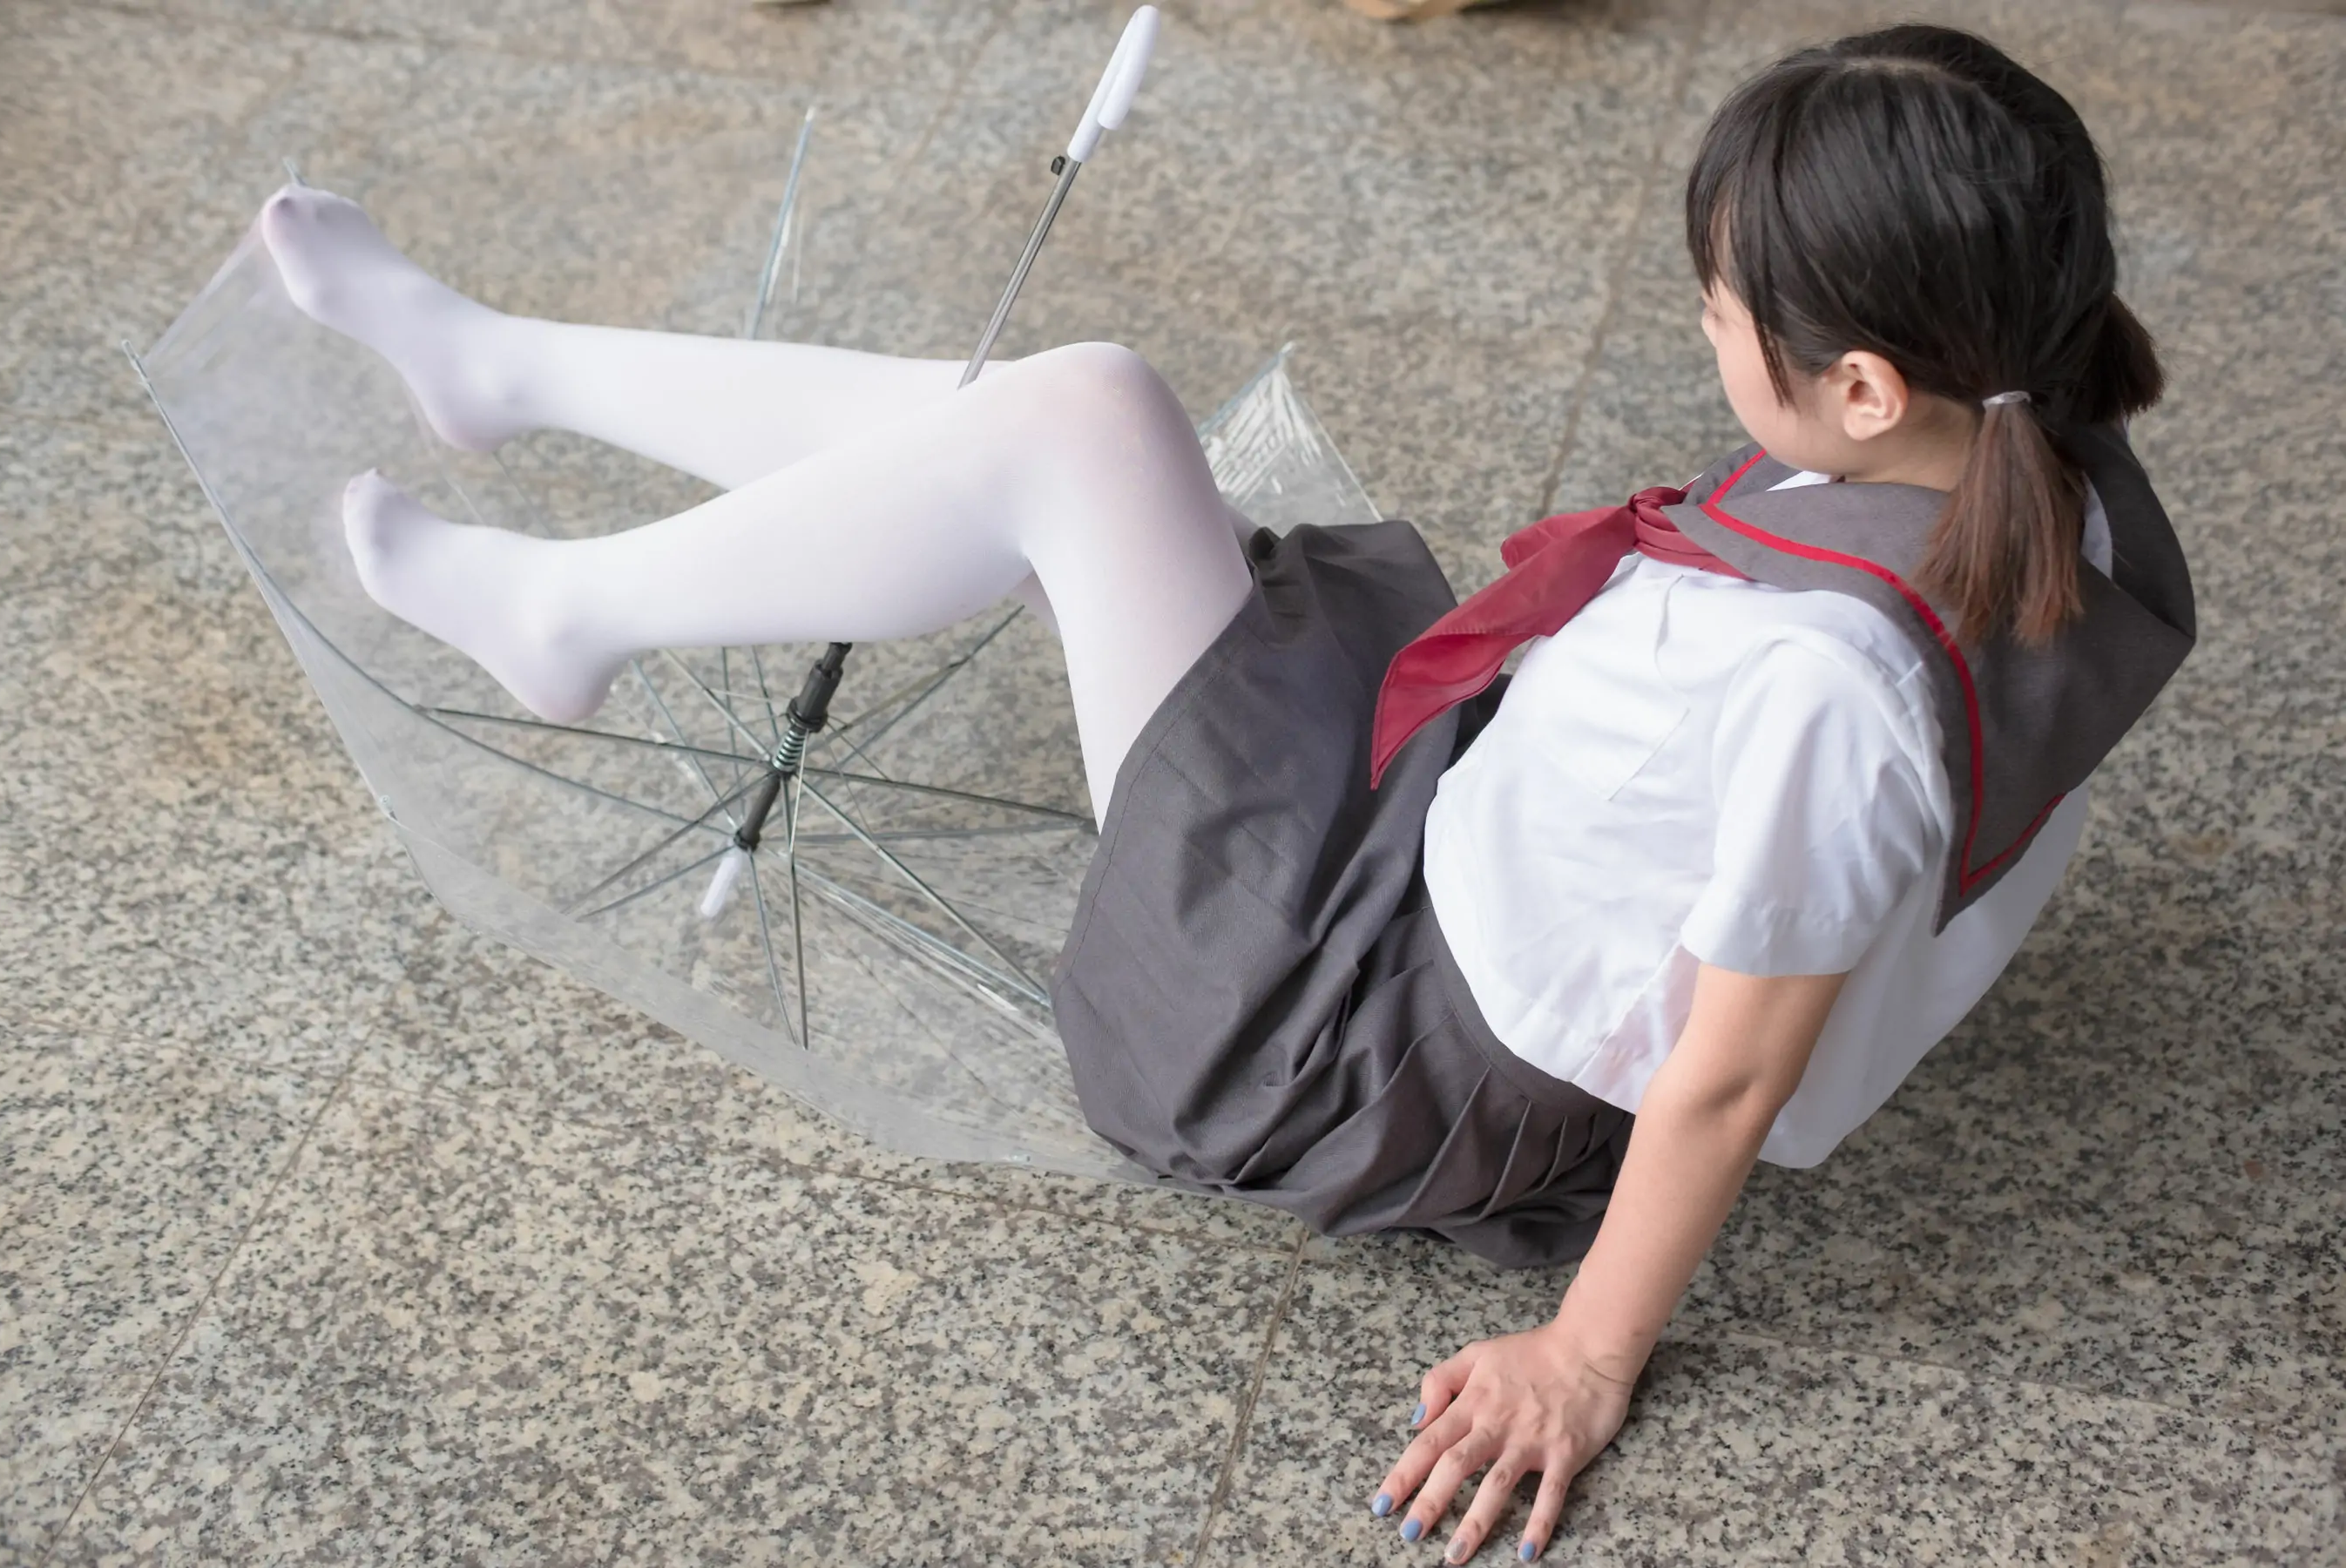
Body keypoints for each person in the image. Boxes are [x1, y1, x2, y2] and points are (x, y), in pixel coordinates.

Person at [254, 24, 2192, 1565]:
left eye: (1723, 301)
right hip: (1446, 822)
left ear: (1866, 390)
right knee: (1076, 421)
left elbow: (1729, 1077)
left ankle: (560, 597)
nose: (1704, 318)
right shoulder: (2015, 438)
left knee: (1075, 429)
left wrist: (1586, 1357)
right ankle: (498, 375)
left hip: (1343, 1035)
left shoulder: (1836, 695)